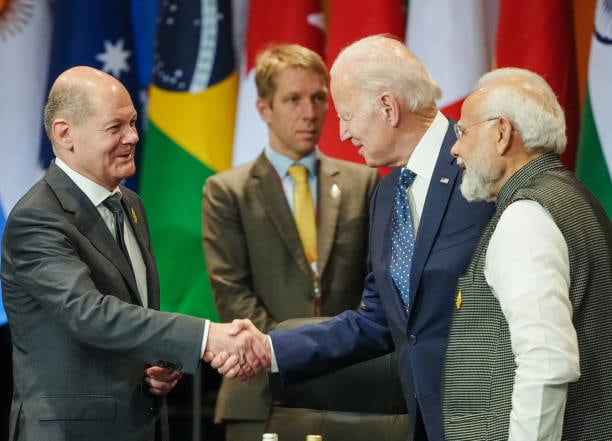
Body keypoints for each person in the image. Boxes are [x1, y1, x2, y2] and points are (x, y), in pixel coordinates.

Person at [209, 34, 495, 441]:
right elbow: (378, 320)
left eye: (345, 115)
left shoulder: (482, 168)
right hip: (423, 419)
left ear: (388, 108)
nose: (340, 133)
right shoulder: (388, 192)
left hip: (489, 417)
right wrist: (270, 348)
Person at [1, 66, 266, 441]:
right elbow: (89, 314)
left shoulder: (129, 204)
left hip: (141, 425)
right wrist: (207, 337)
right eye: (115, 128)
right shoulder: (38, 218)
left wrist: (158, 361)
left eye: (133, 123)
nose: (133, 137)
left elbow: (134, 312)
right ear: (65, 134)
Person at [202, 44, 380, 441]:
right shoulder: (227, 191)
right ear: (264, 108)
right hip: (258, 393)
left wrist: (336, 353)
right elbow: (232, 294)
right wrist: (284, 351)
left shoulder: (362, 182)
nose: (310, 112)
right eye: (293, 99)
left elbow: (375, 281)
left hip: (351, 389)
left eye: (319, 98)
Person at [441, 68, 612, 441]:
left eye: (462, 132)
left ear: (502, 133)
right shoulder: (573, 197)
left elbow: (546, 364)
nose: (455, 149)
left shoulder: (525, 217)